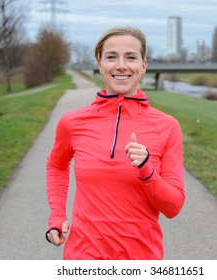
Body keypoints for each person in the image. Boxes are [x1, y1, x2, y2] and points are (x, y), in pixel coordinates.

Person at [45, 26, 185, 260]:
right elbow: (57, 165)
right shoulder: (72, 122)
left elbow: (173, 207)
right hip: (83, 257)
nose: (121, 65)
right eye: (111, 57)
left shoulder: (167, 126)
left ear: (143, 65)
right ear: (100, 64)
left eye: (131, 57)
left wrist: (147, 171)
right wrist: (56, 216)